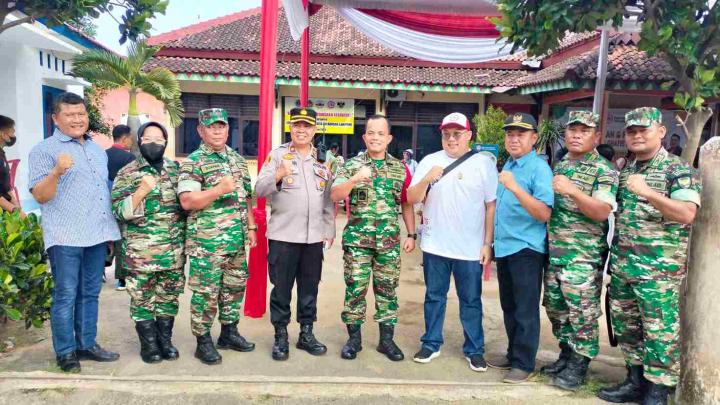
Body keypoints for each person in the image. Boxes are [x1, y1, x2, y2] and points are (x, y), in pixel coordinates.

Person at [598, 108, 701, 405]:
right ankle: (635, 380)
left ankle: (658, 390)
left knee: (660, 331)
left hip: (659, 272)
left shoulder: (678, 170)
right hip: (624, 267)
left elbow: (686, 214)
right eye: (631, 131)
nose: (637, 135)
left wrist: (649, 193)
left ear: (660, 131)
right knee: (628, 327)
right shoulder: (627, 170)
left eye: (643, 129)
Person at [28, 92, 121, 373]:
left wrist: (109, 231)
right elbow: (41, 196)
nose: (77, 119)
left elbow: (101, 192)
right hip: (66, 236)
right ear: (56, 118)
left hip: (96, 234)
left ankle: (87, 344)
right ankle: (66, 352)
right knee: (66, 294)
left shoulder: (95, 149)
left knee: (90, 293)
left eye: (81, 114)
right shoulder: (43, 150)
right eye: (70, 115)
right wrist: (56, 172)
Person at [406, 112, 497, 372]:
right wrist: (427, 178)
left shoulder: (483, 163)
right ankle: (431, 343)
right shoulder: (429, 161)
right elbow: (411, 198)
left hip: (469, 248)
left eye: (457, 134)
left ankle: (474, 349)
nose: (451, 139)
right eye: (447, 134)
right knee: (434, 296)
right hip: (435, 245)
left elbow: (490, 206)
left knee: (471, 299)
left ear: (469, 135)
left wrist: (486, 243)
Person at [542, 111, 619, 391]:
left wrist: (573, 191)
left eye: (584, 130)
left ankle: (580, 364)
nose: (576, 134)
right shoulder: (561, 163)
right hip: (556, 253)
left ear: (596, 136)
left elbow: (601, 211)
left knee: (582, 312)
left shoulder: (604, 170)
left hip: (583, 256)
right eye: (572, 129)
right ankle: (566, 353)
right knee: (555, 308)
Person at [331, 114, 416, 362]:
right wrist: (355, 179)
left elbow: (406, 203)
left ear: (389, 138)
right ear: (364, 137)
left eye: (381, 133)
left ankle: (386, 341)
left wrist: (411, 234)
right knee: (355, 290)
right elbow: (335, 195)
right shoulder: (350, 165)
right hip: (358, 243)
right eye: (371, 133)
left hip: (388, 244)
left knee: (387, 292)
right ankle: (354, 340)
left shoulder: (400, 169)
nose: (375, 137)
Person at [178, 108, 258, 365]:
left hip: (235, 240)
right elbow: (187, 201)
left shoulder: (236, 159)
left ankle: (229, 333)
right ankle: (203, 341)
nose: (217, 130)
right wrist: (218, 190)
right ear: (201, 130)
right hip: (207, 244)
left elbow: (245, 197)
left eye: (221, 126)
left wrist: (252, 227)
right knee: (206, 293)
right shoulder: (193, 162)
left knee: (234, 289)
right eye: (211, 126)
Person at [255, 107, 335, 361]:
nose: (302, 130)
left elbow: (328, 199)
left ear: (314, 130)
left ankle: (306, 333)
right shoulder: (277, 156)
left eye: (307, 126)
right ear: (291, 127)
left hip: (313, 238)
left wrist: (329, 228)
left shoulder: (324, 159)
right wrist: (278, 174)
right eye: (297, 125)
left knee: (309, 288)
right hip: (283, 237)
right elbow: (258, 189)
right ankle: (280, 336)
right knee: (281, 289)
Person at [111, 122, 186, 364]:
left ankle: (165, 341)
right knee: (142, 300)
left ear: (165, 143)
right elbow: (118, 212)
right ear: (139, 141)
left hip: (173, 252)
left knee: (168, 299)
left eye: (159, 139)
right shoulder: (127, 173)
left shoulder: (177, 171)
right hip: (140, 254)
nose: (154, 143)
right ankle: (149, 345)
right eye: (148, 138)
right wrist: (141, 190)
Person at [489, 112, 554, 383]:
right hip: (505, 248)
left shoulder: (538, 169)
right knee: (509, 306)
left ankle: (524, 363)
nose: (514, 139)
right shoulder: (510, 166)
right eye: (510, 134)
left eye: (521, 134)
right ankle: (514, 352)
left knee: (525, 309)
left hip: (526, 249)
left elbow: (543, 213)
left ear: (534, 138)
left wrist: (515, 188)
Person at [107, 124, 136, 291]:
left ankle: (100, 273)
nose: (131, 142)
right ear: (124, 138)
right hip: (122, 204)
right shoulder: (129, 158)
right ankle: (122, 279)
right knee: (122, 241)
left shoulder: (103, 155)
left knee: (105, 239)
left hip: (104, 204)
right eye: (130, 138)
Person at [0, 115, 23, 216]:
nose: (13, 137)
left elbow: (6, 187)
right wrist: (14, 210)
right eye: (12, 133)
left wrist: (17, 205)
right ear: (2, 134)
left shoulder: (1, 154)